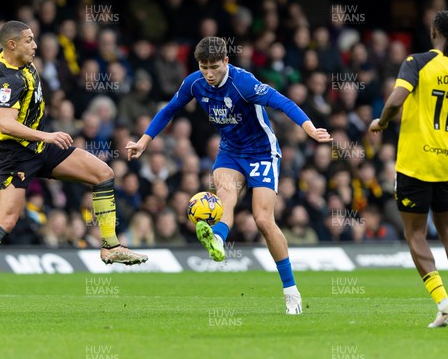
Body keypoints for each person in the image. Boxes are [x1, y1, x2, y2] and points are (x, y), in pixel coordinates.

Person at [126, 36, 333, 314]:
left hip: (262, 153)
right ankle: (218, 239)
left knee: (262, 219)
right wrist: (143, 141)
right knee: (224, 196)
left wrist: (308, 128)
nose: (209, 74)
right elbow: (169, 110)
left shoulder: (244, 83)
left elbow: (282, 102)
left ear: (226, 61)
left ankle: (290, 291)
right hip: (230, 152)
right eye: (203, 67)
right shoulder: (194, 83)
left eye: (214, 67)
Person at [0, 21, 148, 318]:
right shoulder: (9, 80)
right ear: (13, 45)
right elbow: (5, 123)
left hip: (40, 148)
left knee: (104, 174)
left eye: (34, 40)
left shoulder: (4, 59)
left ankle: (110, 245)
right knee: (5, 221)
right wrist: (47, 134)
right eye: (29, 41)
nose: (35, 45)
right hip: (16, 155)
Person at [369, 10, 448, 327]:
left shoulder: (417, 62)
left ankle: (443, 304)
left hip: (414, 164)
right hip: (446, 165)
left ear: (433, 31)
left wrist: (381, 122)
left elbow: (396, 101)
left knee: (415, 233)